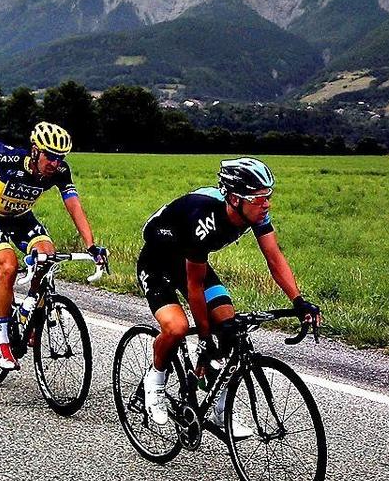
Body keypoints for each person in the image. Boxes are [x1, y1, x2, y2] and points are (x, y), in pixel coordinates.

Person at [136, 157, 317, 434]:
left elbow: (274, 258)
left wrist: (298, 301)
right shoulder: (204, 220)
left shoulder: (254, 213)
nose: (266, 204)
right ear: (234, 199)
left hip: (191, 262)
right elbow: (194, 287)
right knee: (177, 327)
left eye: (268, 196)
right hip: (158, 261)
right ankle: (156, 382)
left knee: (229, 327)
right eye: (258, 198)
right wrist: (205, 339)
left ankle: (221, 410)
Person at [0, 122, 106, 370]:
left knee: (47, 255)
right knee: (9, 267)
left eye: (60, 157)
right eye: (50, 156)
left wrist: (91, 245)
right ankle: (2, 341)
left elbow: (74, 205)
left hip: (21, 217)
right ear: (34, 150)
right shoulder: (6, 156)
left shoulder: (60, 171)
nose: (55, 163)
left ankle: (28, 307)